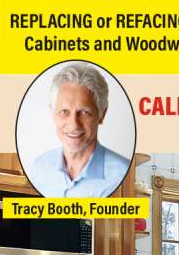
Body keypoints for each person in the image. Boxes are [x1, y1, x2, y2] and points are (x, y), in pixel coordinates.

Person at [28, 62, 131, 197]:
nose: (74, 124)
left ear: (102, 114)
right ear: (52, 113)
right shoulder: (39, 169)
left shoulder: (122, 175)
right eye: (64, 111)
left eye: (84, 112)